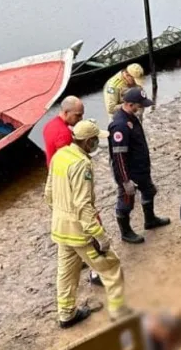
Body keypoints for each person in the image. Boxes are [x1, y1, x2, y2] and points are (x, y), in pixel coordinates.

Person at [45, 120, 128, 329]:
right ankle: (120, 314)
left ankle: (66, 314)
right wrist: (100, 236)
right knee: (111, 268)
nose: (96, 145)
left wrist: (60, 215)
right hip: (79, 232)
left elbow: (48, 193)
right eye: (95, 141)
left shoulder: (60, 156)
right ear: (88, 141)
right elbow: (83, 205)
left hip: (60, 228)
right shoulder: (82, 164)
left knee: (66, 272)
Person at [109, 87, 170, 244]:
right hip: (130, 172)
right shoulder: (120, 125)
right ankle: (126, 232)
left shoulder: (132, 118)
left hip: (141, 168)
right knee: (126, 202)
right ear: (130, 104)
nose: (141, 108)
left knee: (149, 190)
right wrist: (125, 180)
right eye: (139, 105)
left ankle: (150, 220)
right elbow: (119, 156)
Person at [43, 96, 84, 167]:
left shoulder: (49, 125)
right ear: (66, 113)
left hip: (53, 172)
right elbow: (68, 164)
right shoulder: (65, 133)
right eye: (78, 115)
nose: (81, 119)